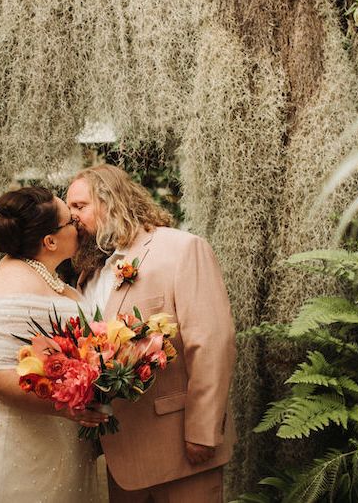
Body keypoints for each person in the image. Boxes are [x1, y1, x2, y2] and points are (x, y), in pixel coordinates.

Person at [67, 164, 236, 503]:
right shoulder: (88, 274)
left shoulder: (181, 249)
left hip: (181, 449)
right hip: (121, 455)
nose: (72, 218)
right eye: (68, 208)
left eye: (79, 207)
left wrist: (202, 432)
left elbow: (212, 343)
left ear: (111, 202)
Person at [0, 186, 107, 503]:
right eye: (70, 220)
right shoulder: (10, 283)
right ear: (50, 241)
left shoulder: (48, 276)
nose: (78, 225)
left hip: (46, 424)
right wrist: (66, 407)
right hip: (7, 427)